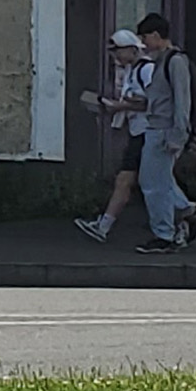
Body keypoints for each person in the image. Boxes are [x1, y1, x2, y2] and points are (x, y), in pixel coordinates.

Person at [131, 13, 196, 253]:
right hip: (158, 128)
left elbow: (181, 101)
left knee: (155, 185)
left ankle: (164, 234)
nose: (144, 43)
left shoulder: (174, 62)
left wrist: (178, 135)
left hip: (165, 130)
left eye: (145, 37)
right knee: (156, 181)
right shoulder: (164, 61)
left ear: (156, 36)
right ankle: (190, 213)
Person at [72, 30, 150, 242]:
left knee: (146, 182)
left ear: (133, 49)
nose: (115, 56)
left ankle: (188, 214)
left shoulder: (146, 70)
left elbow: (151, 102)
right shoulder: (132, 71)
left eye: (118, 51)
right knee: (133, 180)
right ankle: (104, 225)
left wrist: (117, 106)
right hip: (138, 132)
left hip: (147, 133)